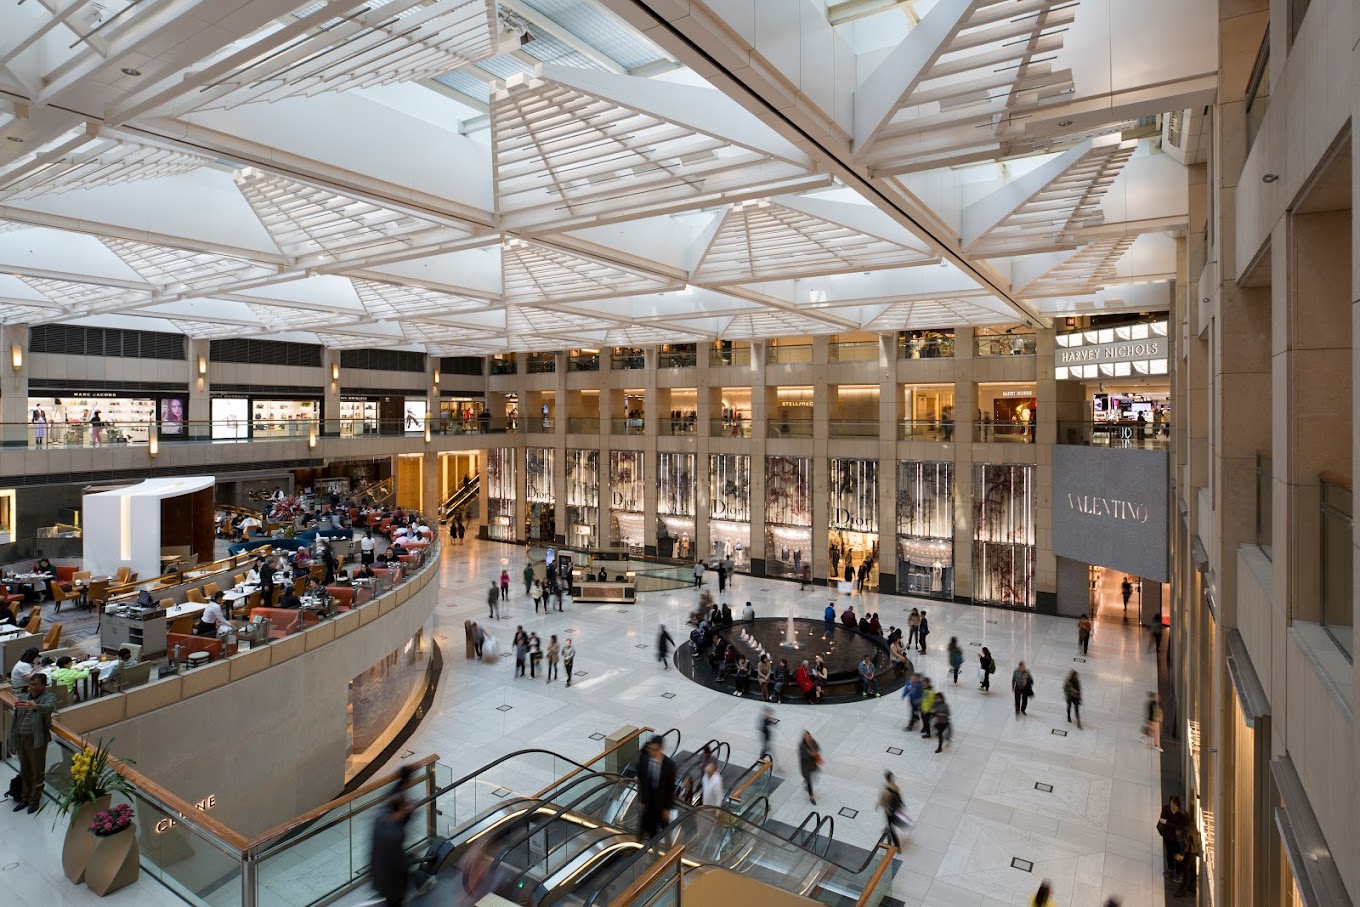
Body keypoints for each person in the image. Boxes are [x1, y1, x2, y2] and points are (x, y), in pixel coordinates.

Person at [369, 765, 416, 906]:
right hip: (393, 881)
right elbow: (398, 862)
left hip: (381, 875)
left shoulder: (379, 822)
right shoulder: (395, 834)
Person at [9, 672, 55, 813]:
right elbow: (16, 721)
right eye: (31, 684)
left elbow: (49, 707)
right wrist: (13, 742)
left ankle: (34, 800)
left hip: (37, 739)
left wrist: (35, 706)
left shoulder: (48, 697)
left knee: (37, 771)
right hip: (22, 738)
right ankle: (25, 798)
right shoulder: (23, 698)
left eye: (36, 685)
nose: (32, 687)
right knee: (24, 769)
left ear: (43, 685)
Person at [635, 736, 677, 839]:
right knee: (645, 828)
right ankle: (638, 848)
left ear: (660, 749)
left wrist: (667, 808)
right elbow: (641, 781)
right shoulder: (644, 760)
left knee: (664, 832)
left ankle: (667, 852)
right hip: (647, 804)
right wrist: (641, 800)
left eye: (655, 750)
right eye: (650, 749)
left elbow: (670, 788)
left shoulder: (669, 765)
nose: (652, 752)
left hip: (661, 806)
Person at [1156, 796, 1188, 882]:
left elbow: (1179, 827)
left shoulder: (1182, 815)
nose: (1172, 806)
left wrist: (1168, 823)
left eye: (1174, 804)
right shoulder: (1166, 809)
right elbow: (1162, 820)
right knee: (1169, 854)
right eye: (1171, 803)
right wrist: (1171, 825)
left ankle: (1178, 873)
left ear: (1178, 805)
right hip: (1168, 837)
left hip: (1177, 839)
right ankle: (1170, 869)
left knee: (1177, 856)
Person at [878, 771, 906, 847]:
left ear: (886, 778)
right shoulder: (895, 786)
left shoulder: (885, 790)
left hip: (889, 811)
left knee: (891, 827)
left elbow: (882, 802)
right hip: (896, 809)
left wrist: (878, 806)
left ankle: (897, 845)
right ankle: (889, 826)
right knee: (892, 820)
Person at [797, 731, 821, 805]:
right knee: (809, 781)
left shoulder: (812, 741)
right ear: (804, 738)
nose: (808, 738)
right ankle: (811, 797)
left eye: (809, 737)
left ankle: (806, 781)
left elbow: (817, 747)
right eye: (807, 737)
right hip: (805, 766)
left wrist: (814, 752)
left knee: (812, 777)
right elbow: (803, 756)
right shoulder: (802, 746)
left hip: (812, 764)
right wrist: (810, 754)